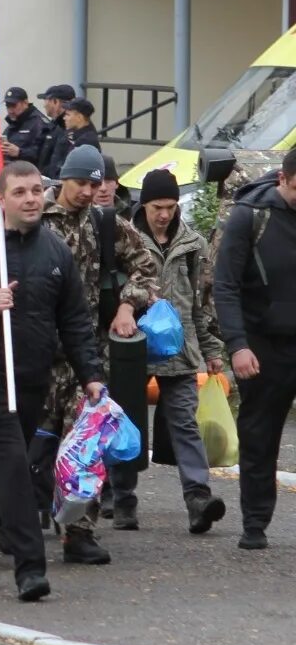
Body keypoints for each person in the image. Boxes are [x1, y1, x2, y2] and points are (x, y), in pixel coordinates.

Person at [0, 160, 104, 602]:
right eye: (20, 192)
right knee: (13, 465)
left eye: (35, 191)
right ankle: (30, 568)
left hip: (33, 375)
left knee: (4, 471)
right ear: (1, 199)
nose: (30, 199)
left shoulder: (55, 250)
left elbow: (75, 320)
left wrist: (91, 375)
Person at [37, 144, 158, 565]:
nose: (88, 191)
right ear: (62, 179)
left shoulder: (106, 224)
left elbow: (146, 265)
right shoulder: (35, 217)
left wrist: (127, 305)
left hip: (84, 357)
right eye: (80, 183)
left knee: (85, 446)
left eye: (94, 183)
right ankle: (14, 523)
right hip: (33, 354)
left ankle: (79, 531)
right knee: (29, 447)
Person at [107, 169, 228, 533]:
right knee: (126, 424)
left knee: (185, 425)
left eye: (172, 207)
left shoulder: (193, 245)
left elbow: (201, 304)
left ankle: (198, 500)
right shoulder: (124, 238)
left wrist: (211, 349)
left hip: (180, 348)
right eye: (158, 206)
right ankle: (123, 499)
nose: (165, 214)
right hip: (132, 347)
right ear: (144, 204)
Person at [213, 151, 296, 550]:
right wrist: (238, 345)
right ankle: (255, 523)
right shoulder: (250, 216)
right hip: (263, 344)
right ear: (284, 178)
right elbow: (225, 285)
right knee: (260, 435)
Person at [46, 98, 101, 180]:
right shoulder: (70, 134)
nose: (64, 118)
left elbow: (74, 171)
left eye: (68, 115)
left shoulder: (87, 141)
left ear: (79, 117)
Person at [2, 87, 49, 168]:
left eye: (13, 105)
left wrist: (19, 152)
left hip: (29, 173)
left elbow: (44, 154)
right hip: (11, 172)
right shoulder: (13, 123)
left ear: (25, 103)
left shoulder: (39, 123)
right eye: (7, 106)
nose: (10, 110)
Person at [35, 84, 75, 174]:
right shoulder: (54, 126)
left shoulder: (68, 128)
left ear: (55, 102)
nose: (44, 105)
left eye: (46, 101)